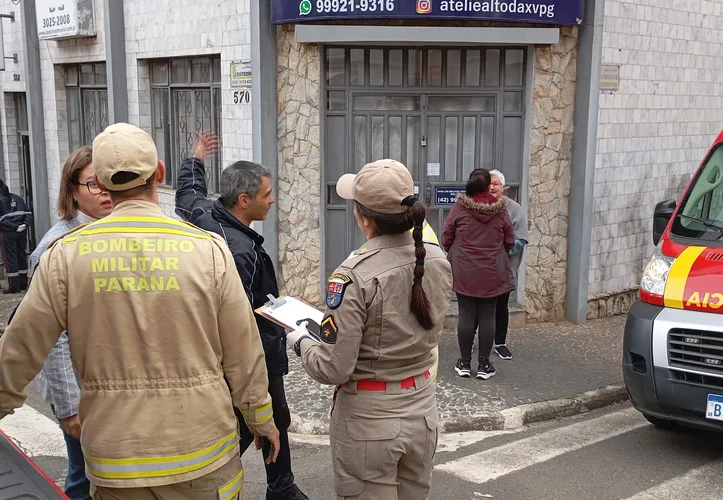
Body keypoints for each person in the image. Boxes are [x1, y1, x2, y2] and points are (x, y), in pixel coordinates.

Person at [0, 123, 280, 500]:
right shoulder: (208, 250)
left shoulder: (65, 257)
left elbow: (18, 350)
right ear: (159, 173)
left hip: (118, 462)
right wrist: (261, 419)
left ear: (102, 184)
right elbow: (244, 352)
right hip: (203, 453)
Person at [286, 158, 452, 499]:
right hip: (422, 408)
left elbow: (334, 367)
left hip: (370, 419)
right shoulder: (436, 258)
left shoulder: (352, 275)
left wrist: (301, 341)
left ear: (364, 218)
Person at [175, 132, 308, 500]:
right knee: (257, 422)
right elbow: (239, 320)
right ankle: (222, 483)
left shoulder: (205, 214)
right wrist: (285, 321)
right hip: (252, 356)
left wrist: (196, 156)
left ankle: (280, 486)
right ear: (245, 200)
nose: (272, 199)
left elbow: (187, 193)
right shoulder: (238, 252)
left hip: (237, 352)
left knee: (271, 418)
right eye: (266, 194)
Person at [25, 146, 113, 500]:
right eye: (93, 184)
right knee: (83, 477)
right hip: (80, 394)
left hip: (112, 389)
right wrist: (68, 407)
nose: (104, 191)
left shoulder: (113, 234)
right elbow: (51, 338)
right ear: (72, 190)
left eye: (109, 181)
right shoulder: (58, 246)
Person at [442, 168, 514, 380]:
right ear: (486, 186)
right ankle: (484, 365)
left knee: (465, 315)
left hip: (464, 271)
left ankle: (464, 363)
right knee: (488, 316)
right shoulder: (500, 209)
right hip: (492, 271)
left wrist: (456, 251)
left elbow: (447, 235)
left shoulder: (460, 207)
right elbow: (509, 239)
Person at [486, 170, 528, 361]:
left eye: (496, 183)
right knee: (477, 308)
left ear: (503, 187)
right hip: (480, 269)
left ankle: (500, 343)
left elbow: (521, 239)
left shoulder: (514, 208)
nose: (492, 187)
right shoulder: (478, 206)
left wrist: (498, 254)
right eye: (489, 183)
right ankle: (470, 342)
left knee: (501, 306)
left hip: (504, 269)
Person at [0, 177, 32, 294]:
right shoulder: (18, 198)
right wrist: (24, 225)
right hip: (21, 232)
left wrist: (13, 227)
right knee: (21, 255)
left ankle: (14, 286)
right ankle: (23, 284)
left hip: (7, 232)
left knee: (10, 258)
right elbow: (28, 213)